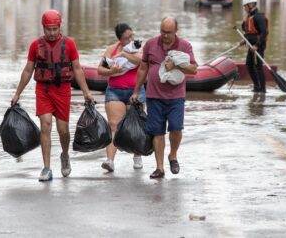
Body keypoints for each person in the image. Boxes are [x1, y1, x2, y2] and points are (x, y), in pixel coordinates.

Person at [11, 9, 94, 182]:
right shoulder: (35, 46)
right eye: (48, 29)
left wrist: (86, 92)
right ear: (43, 28)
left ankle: (64, 155)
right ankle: (47, 168)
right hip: (44, 90)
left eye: (55, 28)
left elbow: (77, 70)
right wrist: (17, 93)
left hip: (63, 90)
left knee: (63, 130)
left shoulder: (69, 44)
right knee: (46, 124)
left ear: (59, 26)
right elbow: (28, 70)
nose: (52, 32)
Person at [130, 17, 197, 179]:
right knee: (157, 132)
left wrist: (176, 65)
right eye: (162, 31)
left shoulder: (185, 46)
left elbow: (193, 69)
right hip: (154, 96)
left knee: (176, 128)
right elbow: (143, 68)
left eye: (168, 32)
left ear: (175, 31)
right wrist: (136, 91)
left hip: (176, 96)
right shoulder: (151, 44)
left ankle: (172, 155)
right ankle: (159, 168)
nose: (164, 35)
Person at [97, 23, 146, 172]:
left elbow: (141, 61)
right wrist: (111, 71)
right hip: (115, 91)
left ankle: (137, 155)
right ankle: (110, 161)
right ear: (119, 39)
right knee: (114, 125)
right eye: (126, 38)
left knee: (134, 125)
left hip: (135, 91)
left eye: (131, 35)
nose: (130, 39)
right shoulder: (112, 50)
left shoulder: (137, 47)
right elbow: (100, 69)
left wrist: (125, 55)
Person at [240, 0, 269, 93]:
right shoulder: (249, 17)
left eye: (245, 6)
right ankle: (257, 87)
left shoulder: (259, 17)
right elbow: (250, 32)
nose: (244, 8)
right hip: (251, 45)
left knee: (259, 67)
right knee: (249, 64)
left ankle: (262, 90)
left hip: (258, 45)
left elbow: (264, 32)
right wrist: (245, 39)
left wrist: (257, 45)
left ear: (250, 5)